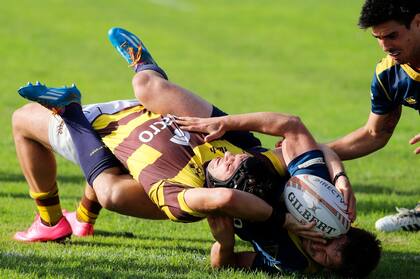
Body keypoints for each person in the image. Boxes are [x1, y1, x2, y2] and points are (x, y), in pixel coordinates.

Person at [13, 28, 380, 276]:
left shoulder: (290, 260)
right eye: (330, 242)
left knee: (105, 181)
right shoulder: (317, 198)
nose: (319, 245)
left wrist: (229, 238)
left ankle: (52, 219)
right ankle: (144, 63)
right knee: (146, 85)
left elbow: (225, 219)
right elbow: (302, 135)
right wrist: (339, 177)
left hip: (150, 148)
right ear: (344, 227)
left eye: (323, 256)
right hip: (218, 144)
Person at [327, 0, 420, 232]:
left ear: (418, 22)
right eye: (378, 38)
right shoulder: (389, 74)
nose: (385, 45)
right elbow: (374, 134)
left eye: (392, 35)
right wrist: (313, 151)